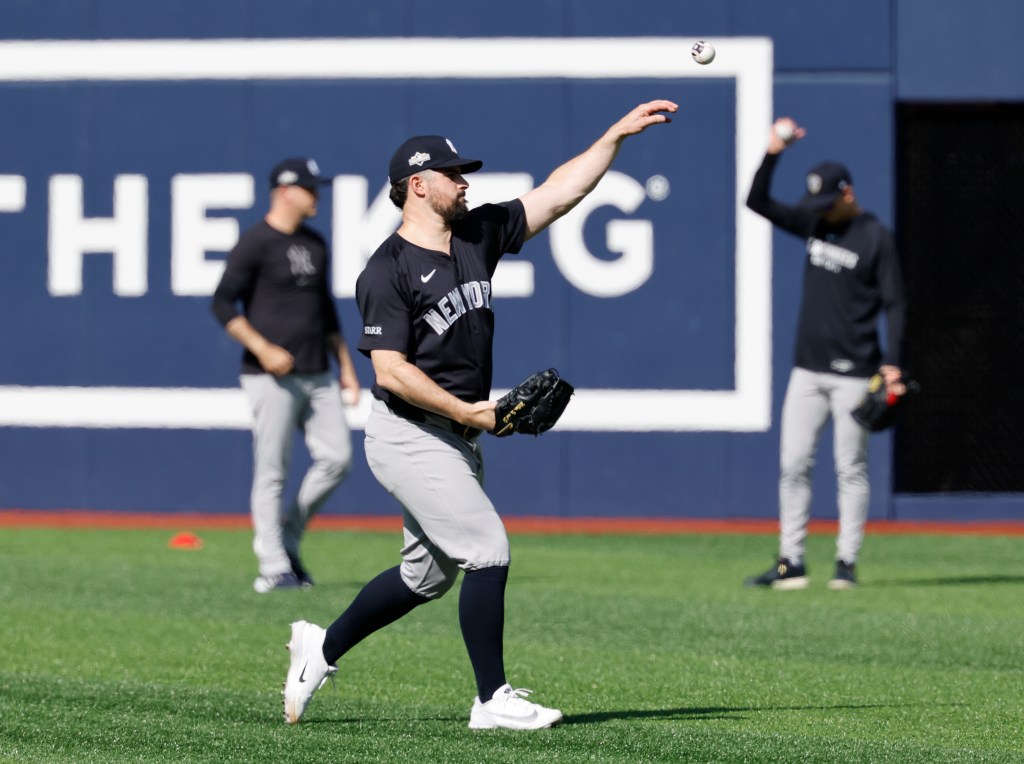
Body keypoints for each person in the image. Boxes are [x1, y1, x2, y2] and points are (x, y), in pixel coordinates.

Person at [282, 100, 678, 729]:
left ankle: (319, 649)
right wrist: (471, 410)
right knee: (488, 550)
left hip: (457, 436)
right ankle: (492, 699)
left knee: (424, 578)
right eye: (452, 173)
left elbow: (557, 193)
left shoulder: (475, 235)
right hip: (408, 434)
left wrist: (614, 137)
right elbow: (390, 371)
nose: (465, 181)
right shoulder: (387, 270)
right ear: (418, 185)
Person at [743, 118, 907, 591]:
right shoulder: (816, 223)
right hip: (807, 369)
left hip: (856, 372)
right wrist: (773, 150)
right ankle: (790, 563)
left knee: (849, 468)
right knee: (794, 463)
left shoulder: (875, 237)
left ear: (848, 194)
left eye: (828, 200)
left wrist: (892, 361)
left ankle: (846, 564)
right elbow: (756, 201)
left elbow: (896, 302)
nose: (821, 209)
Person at [212, 157, 360, 594]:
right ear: (284, 191)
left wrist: (347, 367)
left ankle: (287, 536)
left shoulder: (316, 243)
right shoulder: (255, 242)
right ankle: (273, 564)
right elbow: (222, 304)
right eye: (310, 189)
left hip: (318, 371)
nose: (316, 196)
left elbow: (326, 310)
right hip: (268, 375)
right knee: (272, 471)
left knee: (337, 459)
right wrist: (262, 347)